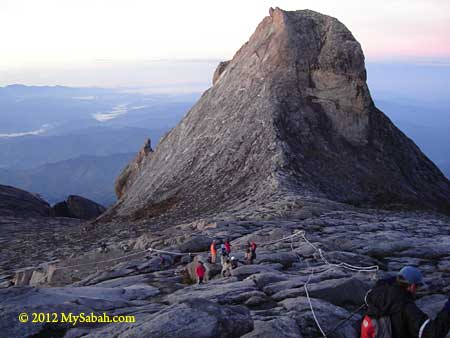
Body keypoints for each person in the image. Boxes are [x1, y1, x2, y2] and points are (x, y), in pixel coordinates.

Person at [361, 266, 450, 338]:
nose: (417, 290)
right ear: (412, 286)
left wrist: (393, 279)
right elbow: (433, 333)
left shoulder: (376, 293)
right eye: (417, 286)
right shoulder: (407, 307)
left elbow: (368, 296)